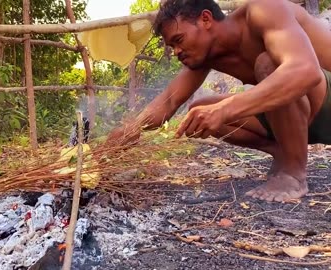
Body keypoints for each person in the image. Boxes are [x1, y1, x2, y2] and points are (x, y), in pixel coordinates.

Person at [104, 0, 331, 202]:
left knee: (268, 64)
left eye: (178, 40)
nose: (176, 51)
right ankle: (284, 153)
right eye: (172, 46)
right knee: (200, 110)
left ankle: (293, 174)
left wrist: (224, 110)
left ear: (205, 19)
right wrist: (127, 131)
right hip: (305, 115)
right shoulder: (205, 55)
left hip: (324, 99)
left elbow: (305, 71)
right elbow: (168, 103)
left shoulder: (264, 10)